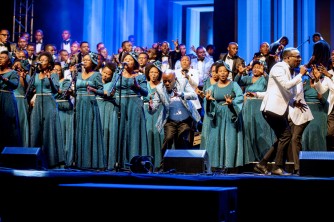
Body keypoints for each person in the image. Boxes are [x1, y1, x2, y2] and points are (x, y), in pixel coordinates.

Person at [254, 47, 309, 175]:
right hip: (272, 108)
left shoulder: (287, 70)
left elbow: (283, 92)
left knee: (281, 138)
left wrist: (293, 102)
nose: (300, 59)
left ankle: (262, 164)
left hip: (277, 109)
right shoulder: (279, 67)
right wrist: (300, 74)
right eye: (297, 56)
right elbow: (286, 85)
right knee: (286, 135)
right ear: (287, 57)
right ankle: (277, 167)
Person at [148, 69, 201, 169]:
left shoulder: (183, 82)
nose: (167, 83)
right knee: (168, 139)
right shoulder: (159, 88)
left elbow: (194, 95)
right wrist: (151, 107)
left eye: (169, 81)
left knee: (183, 139)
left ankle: (183, 166)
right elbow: (153, 108)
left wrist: (182, 94)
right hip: (170, 120)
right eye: (165, 81)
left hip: (185, 119)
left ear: (175, 79)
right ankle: (164, 165)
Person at [107, 52, 149, 171]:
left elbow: (146, 93)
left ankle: (134, 162)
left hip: (134, 106)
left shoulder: (140, 76)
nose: (127, 61)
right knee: (120, 131)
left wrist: (138, 87)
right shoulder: (117, 75)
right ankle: (119, 162)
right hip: (120, 105)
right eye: (125, 59)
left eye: (130, 60)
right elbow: (110, 90)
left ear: (134, 62)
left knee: (133, 132)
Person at [201, 61, 245, 171]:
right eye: (220, 71)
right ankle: (217, 166)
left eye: (225, 71)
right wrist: (208, 101)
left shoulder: (234, 84)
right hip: (217, 115)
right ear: (216, 73)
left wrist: (232, 103)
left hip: (230, 115)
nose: (222, 73)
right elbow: (207, 97)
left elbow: (240, 97)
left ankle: (229, 166)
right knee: (216, 139)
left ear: (228, 73)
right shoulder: (213, 87)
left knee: (229, 139)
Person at [28, 51, 65, 169]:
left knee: (49, 131)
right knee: (35, 129)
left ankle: (51, 160)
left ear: (49, 63)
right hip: (38, 102)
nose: (42, 62)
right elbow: (30, 88)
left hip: (49, 102)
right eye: (41, 59)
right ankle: (34, 159)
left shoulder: (53, 74)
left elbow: (55, 90)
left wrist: (49, 79)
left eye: (44, 60)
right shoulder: (36, 74)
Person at [234, 60, 276, 162]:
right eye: (254, 67)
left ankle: (265, 156)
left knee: (261, 129)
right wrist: (239, 73)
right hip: (248, 108)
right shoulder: (248, 79)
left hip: (260, 107)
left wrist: (265, 73)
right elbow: (236, 82)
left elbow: (271, 84)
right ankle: (250, 156)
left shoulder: (264, 79)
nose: (256, 69)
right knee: (249, 129)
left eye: (258, 67)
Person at [73, 52, 106, 170]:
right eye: (84, 59)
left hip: (90, 105)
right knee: (80, 131)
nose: (85, 61)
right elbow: (75, 90)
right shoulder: (77, 75)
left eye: (87, 60)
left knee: (90, 131)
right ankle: (80, 162)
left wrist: (93, 90)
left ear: (93, 62)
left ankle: (92, 162)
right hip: (80, 104)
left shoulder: (96, 75)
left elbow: (102, 91)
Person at [143, 61, 164, 168]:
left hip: (159, 112)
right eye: (151, 72)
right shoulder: (144, 84)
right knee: (147, 135)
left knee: (158, 135)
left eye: (156, 72)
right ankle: (147, 163)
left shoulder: (162, 85)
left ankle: (159, 164)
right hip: (146, 112)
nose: (153, 74)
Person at [0, 51, 22, 152]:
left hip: (7, 98)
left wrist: (5, 80)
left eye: (3, 58)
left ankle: (9, 152)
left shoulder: (12, 72)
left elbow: (15, 85)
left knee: (8, 124)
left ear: (8, 61)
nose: (0, 59)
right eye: (0, 57)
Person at [312, 54, 334, 151]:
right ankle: (330, 157)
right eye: (332, 55)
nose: (333, 57)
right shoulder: (329, 73)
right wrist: (317, 79)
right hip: (332, 108)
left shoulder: (329, 74)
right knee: (330, 133)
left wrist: (330, 76)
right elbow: (321, 90)